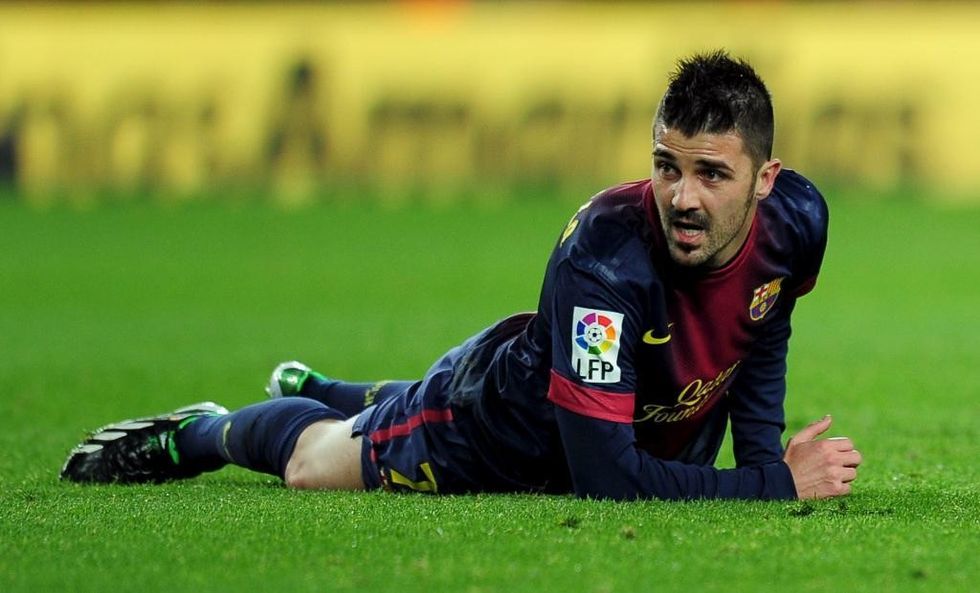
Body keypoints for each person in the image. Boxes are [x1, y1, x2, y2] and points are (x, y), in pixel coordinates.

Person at [62, 51, 862, 500]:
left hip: (612, 404)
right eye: (665, 166)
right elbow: (605, 476)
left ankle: (349, 387)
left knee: (396, 402)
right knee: (314, 467)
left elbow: (762, 324)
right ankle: (207, 428)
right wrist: (774, 486)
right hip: (503, 425)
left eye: (711, 174)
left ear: (766, 177)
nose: (682, 197)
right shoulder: (604, 258)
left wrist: (760, 454)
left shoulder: (799, 219)